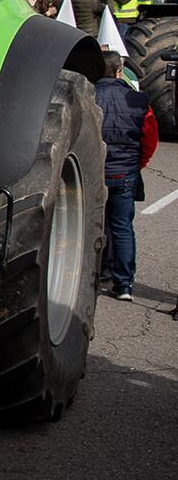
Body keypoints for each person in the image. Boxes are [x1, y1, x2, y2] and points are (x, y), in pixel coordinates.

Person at [95, 51, 157, 301]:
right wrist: (136, 166)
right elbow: (150, 139)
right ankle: (124, 285)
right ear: (120, 71)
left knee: (91, 225)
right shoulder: (138, 100)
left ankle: (92, 274)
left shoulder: (87, 95)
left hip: (94, 173)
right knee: (121, 228)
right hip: (124, 173)